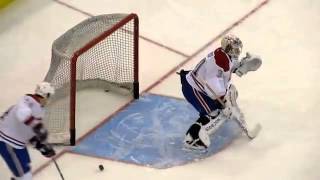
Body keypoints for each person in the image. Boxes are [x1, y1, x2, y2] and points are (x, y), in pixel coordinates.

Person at [179, 34, 261, 150]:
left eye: (238, 48)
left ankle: (216, 116)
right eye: (235, 49)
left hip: (200, 87)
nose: (237, 51)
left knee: (231, 93)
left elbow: (230, 67)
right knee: (214, 113)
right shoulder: (218, 61)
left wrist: (243, 66)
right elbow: (213, 85)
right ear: (228, 48)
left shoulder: (224, 56)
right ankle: (193, 138)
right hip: (193, 88)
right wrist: (224, 103)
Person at [0, 82, 56, 180]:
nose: (49, 99)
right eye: (49, 96)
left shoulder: (38, 108)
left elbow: (29, 129)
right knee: (25, 176)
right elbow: (23, 114)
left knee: (24, 170)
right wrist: (38, 127)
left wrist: (41, 145)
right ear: (45, 95)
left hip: (17, 143)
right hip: (7, 141)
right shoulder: (27, 101)